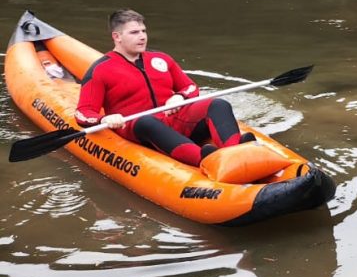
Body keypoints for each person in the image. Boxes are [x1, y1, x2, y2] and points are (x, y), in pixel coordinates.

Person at [76, 9, 250, 166]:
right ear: (117, 37)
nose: (142, 36)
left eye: (143, 31)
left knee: (218, 104)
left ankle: (236, 153)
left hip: (172, 120)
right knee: (147, 121)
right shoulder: (101, 70)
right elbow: (83, 112)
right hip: (137, 128)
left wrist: (180, 96)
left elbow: (190, 87)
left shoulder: (161, 59)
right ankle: (207, 160)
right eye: (134, 32)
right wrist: (104, 119)